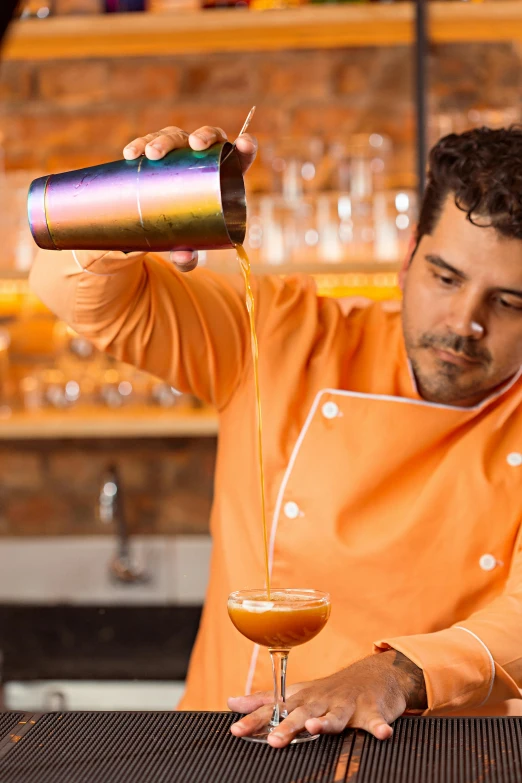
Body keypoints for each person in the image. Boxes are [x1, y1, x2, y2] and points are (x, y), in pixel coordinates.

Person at [30, 123, 522, 748]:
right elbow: (67, 288)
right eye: (445, 278)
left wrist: (392, 673)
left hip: (432, 756)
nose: (465, 323)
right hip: (227, 743)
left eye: (509, 302)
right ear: (407, 256)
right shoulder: (284, 333)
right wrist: (140, 199)